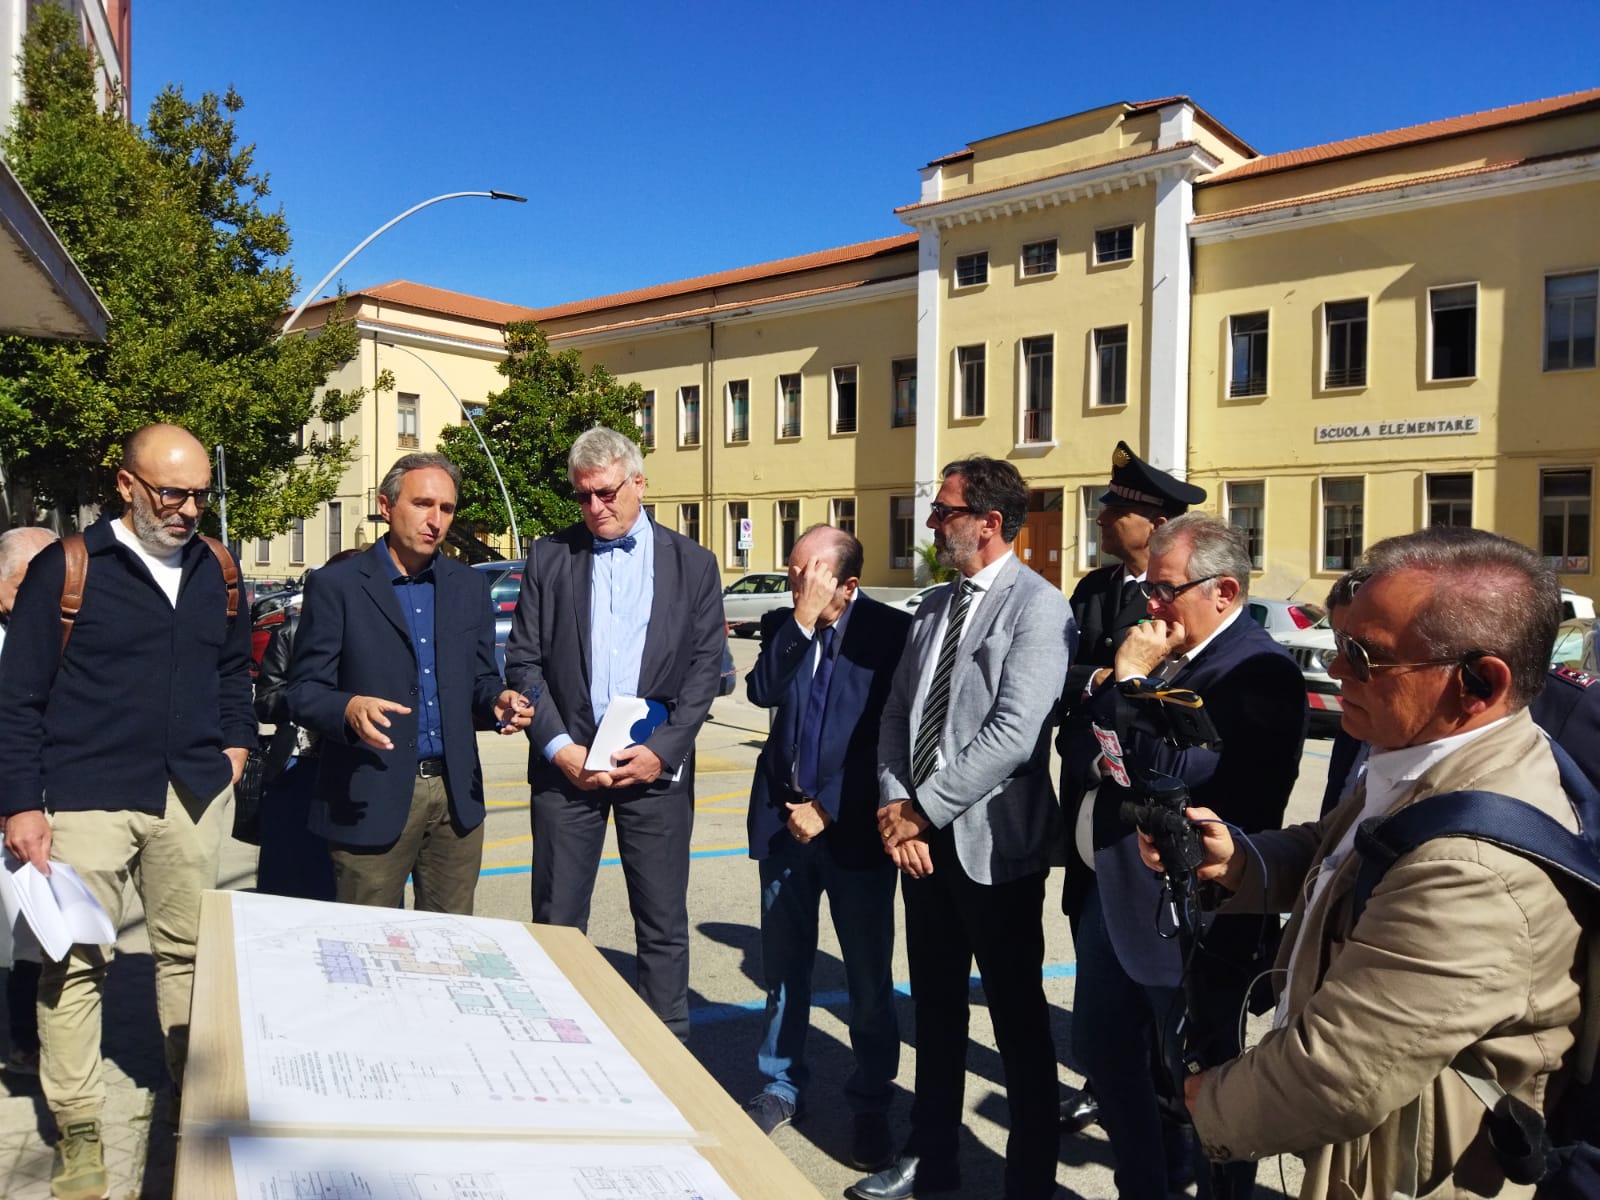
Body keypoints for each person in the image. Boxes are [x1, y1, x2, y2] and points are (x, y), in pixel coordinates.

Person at [1161, 527, 1591, 1200]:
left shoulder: (1475, 867)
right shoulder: (1429, 754)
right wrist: (1240, 861)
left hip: (1415, 1174)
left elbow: (1335, 1072)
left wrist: (1200, 1100)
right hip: (1380, 1142)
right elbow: (1340, 849)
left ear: (1479, 682)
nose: (1336, 670)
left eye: (1363, 656)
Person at [0, 424, 254, 1200]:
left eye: (198, 494)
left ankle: (184, 1105)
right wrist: (19, 805)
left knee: (187, 960)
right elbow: (17, 699)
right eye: (170, 492)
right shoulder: (68, 568)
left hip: (190, 796)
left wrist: (234, 751)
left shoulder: (218, 567)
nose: (185, 509)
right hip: (87, 798)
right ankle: (79, 1130)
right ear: (126, 484)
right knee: (74, 966)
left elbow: (235, 671)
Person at [850, 457, 1073, 1200]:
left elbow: (1014, 734)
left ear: (989, 522)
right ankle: (930, 1161)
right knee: (937, 1012)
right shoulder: (934, 607)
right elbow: (894, 715)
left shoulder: (1038, 608)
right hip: (920, 843)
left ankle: (1029, 1182)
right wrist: (895, 809)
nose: (933, 523)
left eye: (945, 511)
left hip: (992, 848)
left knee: (1018, 1023)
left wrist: (923, 806)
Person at [1065, 511, 1305, 1200]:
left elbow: (1170, 772)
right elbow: (1088, 750)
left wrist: (1129, 686)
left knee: (1206, 1083)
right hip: (1116, 895)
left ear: (1223, 591)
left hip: (1196, 916)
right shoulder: (1174, 653)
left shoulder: (1257, 670)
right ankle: (1149, 1185)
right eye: (1152, 589)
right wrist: (1127, 703)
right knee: (1107, 1056)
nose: (1152, 604)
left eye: (1167, 589)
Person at [504, 426, 724, 1041]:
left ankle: (667, 1052)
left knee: (660, 922)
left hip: (652, 772)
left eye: (605, 494)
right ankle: (556, 1043)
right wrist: (558, 747)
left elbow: (706, 670)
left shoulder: (693, 564)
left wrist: (662, 752)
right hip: (566, 769)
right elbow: (523, 662)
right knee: (556, 920)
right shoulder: (552, 556)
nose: (595, 508)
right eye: (583, 497)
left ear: (638, 483)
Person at [287, 453, 530, 914]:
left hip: (455, 797)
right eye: (422, 504)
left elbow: (479, 678)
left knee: (451, 946)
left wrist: (497, 700)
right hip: (369, 793)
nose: (435, 520)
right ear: (386, 505)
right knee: (367, 950)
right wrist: (348, 708)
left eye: (446, 508)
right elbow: (302, 691)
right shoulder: (337, 585)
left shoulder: (467, 586)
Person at [742, 524, 908, 1169]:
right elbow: (761, 693)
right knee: (785, 970)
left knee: (867, 980)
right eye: (793, 572)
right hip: (782, 826)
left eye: (809, 574)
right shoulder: (790, 622)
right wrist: (802, 623)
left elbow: (887, 740)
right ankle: (781, 1085)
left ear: (850, 581)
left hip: (854, 832)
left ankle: (870, 1100)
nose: (796, 584)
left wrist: (830, 807)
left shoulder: (889, 636)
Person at [1057, 440, 1204, 1134]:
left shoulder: (1174, 607)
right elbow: (1057, 678)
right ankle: (1105, 1079)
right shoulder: (1093, 590)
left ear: (1151, 523)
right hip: (1086, 806)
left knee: (1149, 970)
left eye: (1114, 507)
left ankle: (1163, 1095)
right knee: (1095, 956)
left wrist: (1107, 680)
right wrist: (1100, 679)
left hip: (1137, 817)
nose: (1102, 516)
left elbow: (1156, 701)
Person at [252, 547, 363, 900]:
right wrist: (312, 701)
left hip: (356, 770)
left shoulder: (381, 640)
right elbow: (265, 702)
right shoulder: (292, 631)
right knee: (289, 879)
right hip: (298, 769)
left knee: (348, 881)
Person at [0, 526, 59, 1076]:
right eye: (27, 584)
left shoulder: (54, 635)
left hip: (29, 806)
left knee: (27, 932)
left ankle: (26, 1039)